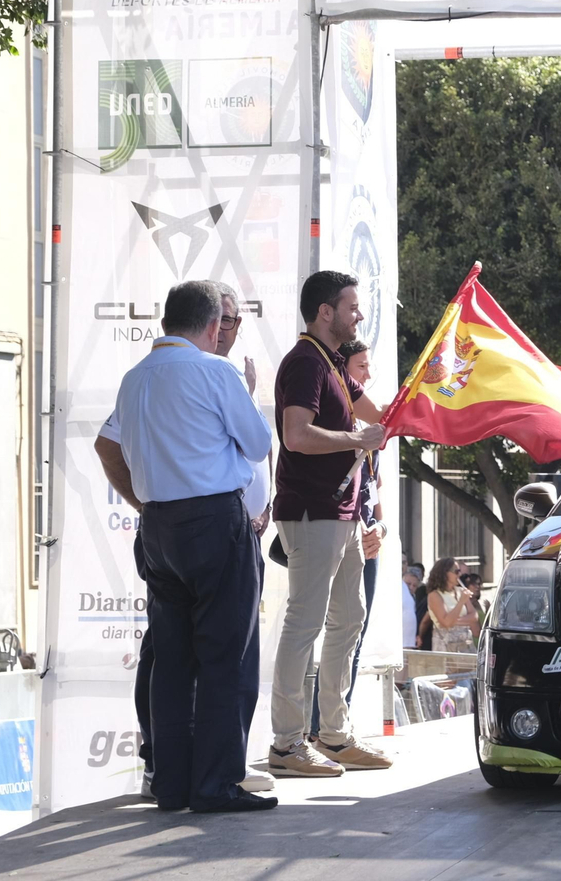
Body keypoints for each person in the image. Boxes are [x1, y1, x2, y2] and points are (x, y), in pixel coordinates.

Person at [97, 284, 277, 799]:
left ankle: (171, 781)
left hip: (157, 523)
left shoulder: (134, 379)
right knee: (224, 656)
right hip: (214, 523)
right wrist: (244, 391)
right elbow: (259, 443)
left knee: (171, 659)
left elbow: (113, 448)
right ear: (209, 326)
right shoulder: (214, 371)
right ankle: (217, 783)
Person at [268, 270, 393, 778]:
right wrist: (358, 440)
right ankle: (285, 743)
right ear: (326, 312)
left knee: (349, 618)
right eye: (351, 307)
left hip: (340, 515)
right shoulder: (304, 362)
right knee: (306, 622)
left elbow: (381, 417)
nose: (358, 315)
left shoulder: (335, 365)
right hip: (310, 510)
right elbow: (296, 436)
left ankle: (333, 735)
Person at [309, 338, 387, 740]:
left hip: (366, 540)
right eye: (361, 368)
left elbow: (375, 490)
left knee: (353, 629)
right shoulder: (336, 429)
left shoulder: (372, 434)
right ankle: (313, 729)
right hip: (331, 531)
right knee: (320, 627)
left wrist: (379, 529)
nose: (366, 377)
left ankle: (339, 724)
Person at [425, 558, 480, 653]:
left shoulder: (461, 591)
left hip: (465, 644)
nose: (459, 574)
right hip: (445, 645)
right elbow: (446, 623)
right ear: (445, 573)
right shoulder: (435, 595)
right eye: (456, 571)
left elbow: (474, 617)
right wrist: (461, 602)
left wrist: (453, 621)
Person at [401, 564, 424, 649]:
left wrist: (416, 634)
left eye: (414, 586)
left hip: (409, 643)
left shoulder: (414, 598)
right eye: (408, 583)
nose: (411, 587)